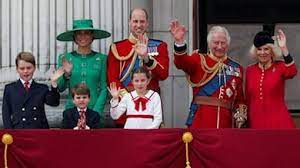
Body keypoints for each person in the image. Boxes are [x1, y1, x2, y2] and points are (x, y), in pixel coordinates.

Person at [169, 20, 247, 128]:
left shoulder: (237, 68)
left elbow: (239, 99)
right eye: (216, 43)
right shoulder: (198, 60)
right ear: (209, 43)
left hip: (226, 123)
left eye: (223, 43)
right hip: (201, 120)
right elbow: (181, 62)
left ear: (228, 44)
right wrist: (179, 42)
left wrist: (240, 115)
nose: (220, 46)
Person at [107, 8, 169, 127]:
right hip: (125, 108)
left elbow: (163, 74)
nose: (139, 25)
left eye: (142, 21)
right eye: (135, 21)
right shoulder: (117, 47)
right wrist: (129, 98)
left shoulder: (159, 46)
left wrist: (146, 58)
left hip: (150, 106)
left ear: (147, 23)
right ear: (129, 22)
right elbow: (112, 79)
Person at [56, 19, 110, 127]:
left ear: (92, 36)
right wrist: (66, 74)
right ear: (74, 37)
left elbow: (104, 88)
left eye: (87, 33)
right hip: (71, 112)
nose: (83, 37)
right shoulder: (65, 58)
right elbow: (60, 87)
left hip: (95, 111)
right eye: (79, 34)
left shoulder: (102, 58)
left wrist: (95, 113)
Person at [246, 29, 297, 128]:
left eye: (266, 49)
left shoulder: (280, 66)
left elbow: (292, 71)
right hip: (256, 121)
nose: (262, 53)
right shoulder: (250, 70)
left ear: (272, 50)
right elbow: (248, 98)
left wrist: (284, 48)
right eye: (259, 49)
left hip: (278, 120)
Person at [2, 52, 61, 129]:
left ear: (34, 68)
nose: (25, 71)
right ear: (17, 69)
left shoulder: (42, 88)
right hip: (18, 131)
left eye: (29, 68)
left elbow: (54, 102)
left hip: (39, 131)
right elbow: (6, 113)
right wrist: (9, 132)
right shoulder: (10, 88)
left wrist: (54, 84)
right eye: (22, 68)